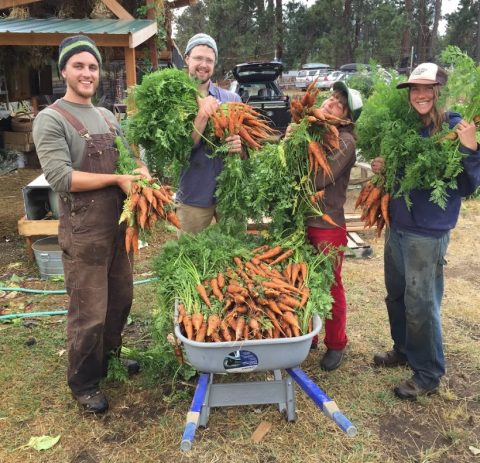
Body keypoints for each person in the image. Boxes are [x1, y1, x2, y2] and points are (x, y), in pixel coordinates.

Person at [32, 35, 151, 414]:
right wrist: (118, 179)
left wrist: (140, 172)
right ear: (64, 71)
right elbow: (61, 177)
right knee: (90, 309)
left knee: (120, 299)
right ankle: (84, 382)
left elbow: (128, 159)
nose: (87, 73)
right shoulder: (51, 119)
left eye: (93, 67)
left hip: (117, 228)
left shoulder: (107, 116)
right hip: (84, 231)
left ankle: (109, 360)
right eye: (79, 66)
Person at [371, 63, 480, 399]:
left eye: (426, 89)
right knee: (397, 295)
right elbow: (403, 177)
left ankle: (428, 373)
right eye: (414, 89)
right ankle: (404, 349)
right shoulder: (409, 128)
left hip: (427, 232)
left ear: (439, 92)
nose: (419, 95)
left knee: (421, 304)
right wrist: (383, 167)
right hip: (399, 225)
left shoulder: (456, 127)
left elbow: (468, 186)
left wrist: (470, 150)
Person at [296, 82, 363, 371]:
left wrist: (292, 172)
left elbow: (321, 177)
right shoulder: (313, 130)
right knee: (302, 280)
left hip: (327, 223)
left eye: (340, 104)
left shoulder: (345, 141)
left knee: (330, 284)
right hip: (302, 219)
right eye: (332, 97)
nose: (331, 102)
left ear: (346, 118)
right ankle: (307, 335)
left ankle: (336, 343)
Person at [175, 33, 243, 234]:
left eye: (209, 60)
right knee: (189, 250)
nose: (203, 65)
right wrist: (202, 116)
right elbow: (180, 152)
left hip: (230, 195)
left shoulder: (232, 99)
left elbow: (247, 152)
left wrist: (240, 147)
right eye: (198, 58)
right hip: (193, 196)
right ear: (187, 59)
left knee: (236, 249)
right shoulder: (174, 101)